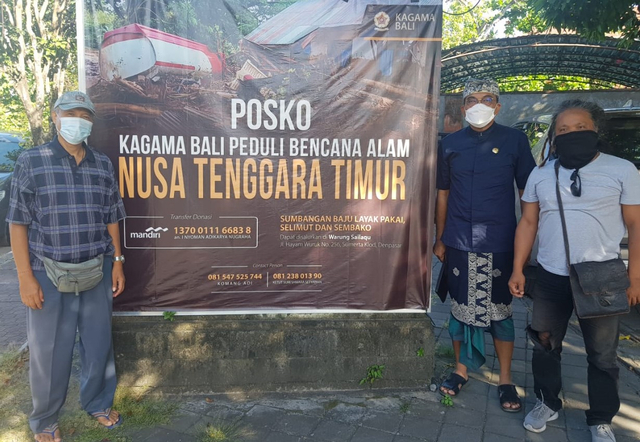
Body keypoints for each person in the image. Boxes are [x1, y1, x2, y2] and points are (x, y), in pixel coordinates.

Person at [508, 99, 640, 442]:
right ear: (554, 137)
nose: (571, 133)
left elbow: (636, 225)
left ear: (596, 129)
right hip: (552, 276)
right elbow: (528, 222)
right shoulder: (541, 173)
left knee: (603, 354)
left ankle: (600, 418)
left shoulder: (622, 169)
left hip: (603, 277)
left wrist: (635, 277)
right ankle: (546, 402)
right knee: (544, 343)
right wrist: (517, 268)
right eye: (563, 129)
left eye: (580, 127)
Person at [6, 91, 127, 442]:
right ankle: (45, 421)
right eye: (71, 112)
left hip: (96, 268)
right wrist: (25, 277)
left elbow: (113, 217)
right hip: (47, 272)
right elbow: (17, 223)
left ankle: (98, 404)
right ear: (56, 117)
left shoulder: (101, 164)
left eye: (85, 115)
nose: (78, 120)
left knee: (98, 343)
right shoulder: (32, 161)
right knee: (49, 352)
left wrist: (117, 262)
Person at [434, 78, 536, 412]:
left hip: (501, 243)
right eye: (472, 99)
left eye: (487, 98)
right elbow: (443, 194)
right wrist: (440, 237)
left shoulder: (515, 141)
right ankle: (460, 370)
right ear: (463, 107)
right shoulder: (450, 144)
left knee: (501, 314)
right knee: (459, 311)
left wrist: (523, 259)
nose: (479, 104)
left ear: (498, 104)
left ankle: (505, 379)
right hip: (460, 241)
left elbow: (529, 200)